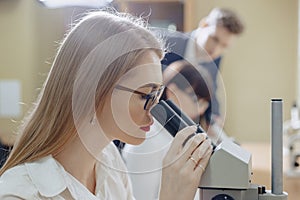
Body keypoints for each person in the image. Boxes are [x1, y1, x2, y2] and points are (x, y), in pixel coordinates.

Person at [0, 10, 212, 199]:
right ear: (93, 90)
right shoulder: (20, 193)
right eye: (146, 95)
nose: (154, 112)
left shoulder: (110, 162)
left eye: (158, 95)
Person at [122, 60, 215, 200]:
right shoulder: (148, 141)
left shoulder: (184, 136)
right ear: (173, 92)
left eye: (204, 103)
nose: (200, 109)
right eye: (195, 99)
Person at [162, 8, 244, 126]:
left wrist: (216, 118)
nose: (216, 49)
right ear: (204, 25)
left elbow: (211, 89)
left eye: (224, 46)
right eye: (214, 39)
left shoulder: (215, 58)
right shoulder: (168, 42)